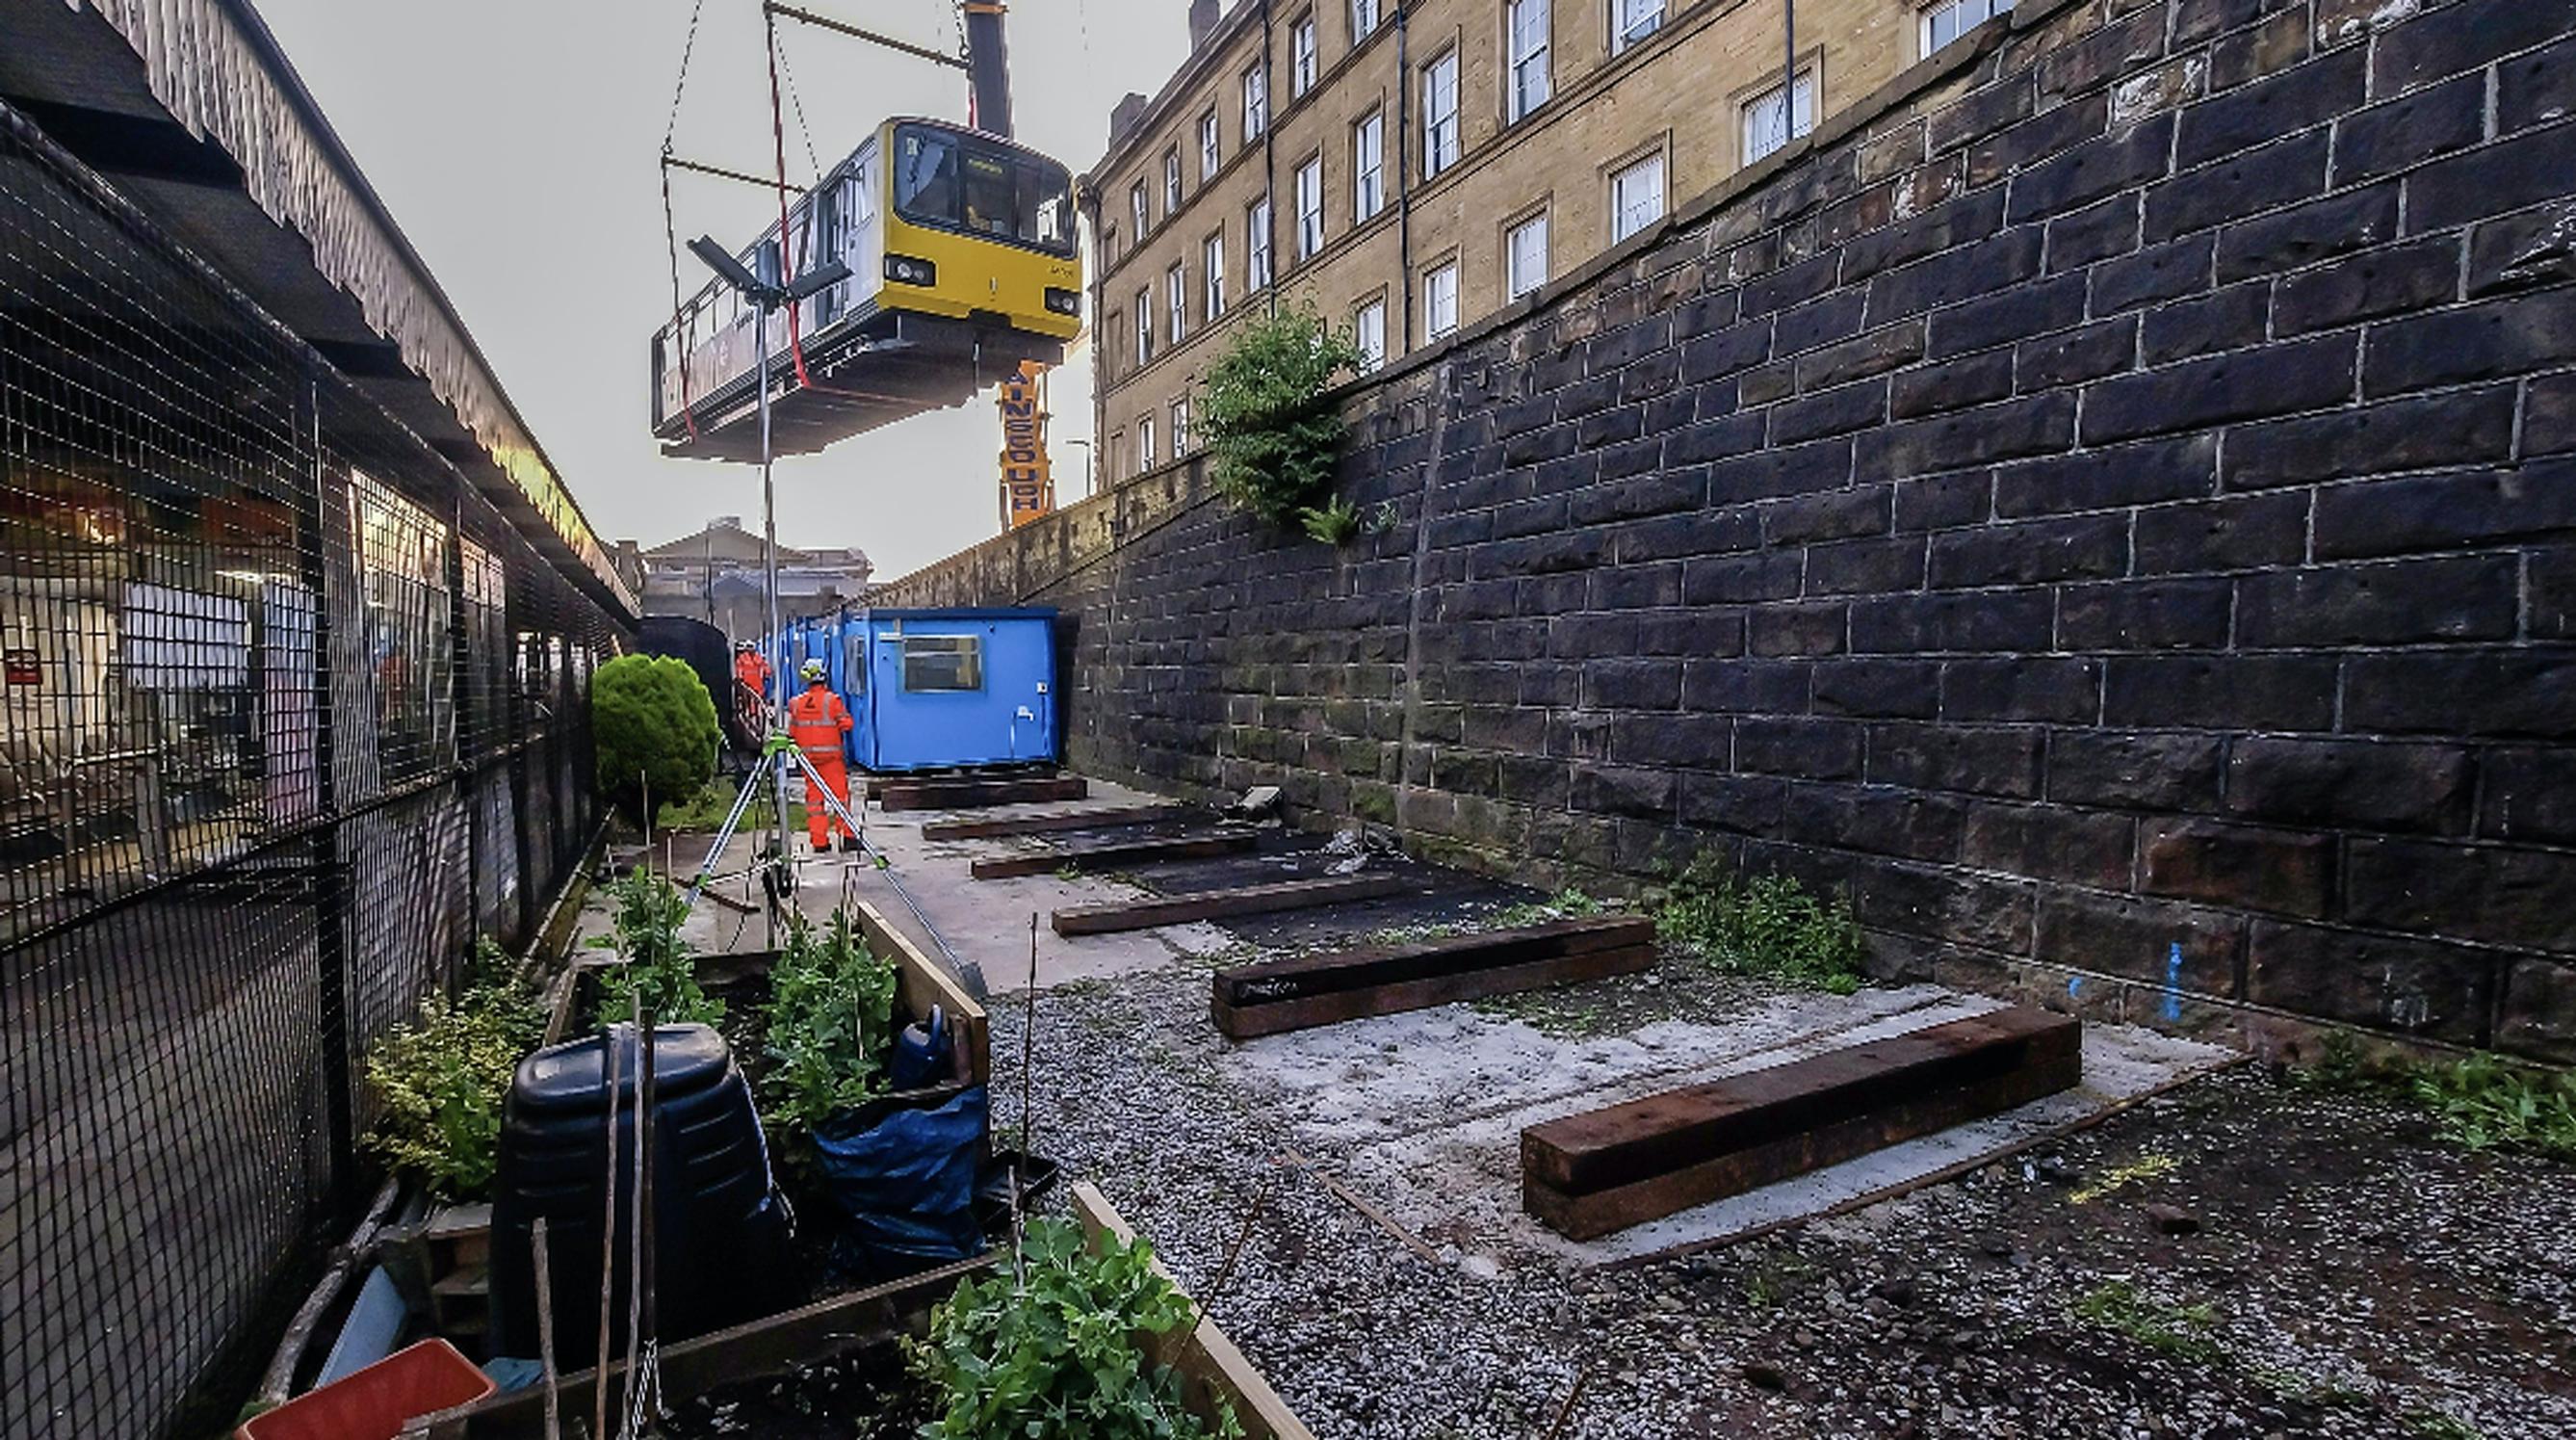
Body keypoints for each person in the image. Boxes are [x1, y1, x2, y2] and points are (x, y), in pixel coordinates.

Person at [786, 658, 858, 853]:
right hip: (831, 759)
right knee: (840, 798)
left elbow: (791, 732)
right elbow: (847, 724)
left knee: (815, 802)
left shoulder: (796, 703)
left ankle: (819, 842)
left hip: (808, 761)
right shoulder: (832, 700)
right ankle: (848, 838)